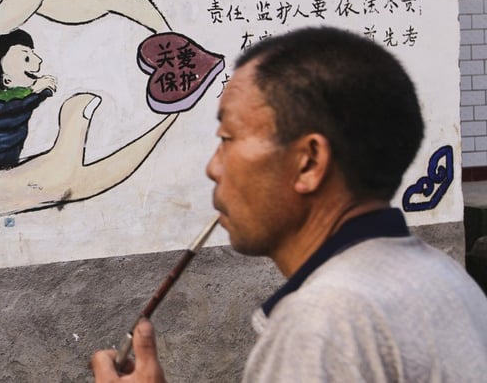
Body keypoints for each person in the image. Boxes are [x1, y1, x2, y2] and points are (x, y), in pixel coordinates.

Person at [92, 26, 487, 382]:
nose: (213, 167)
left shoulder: (323, 323)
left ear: (308, 162)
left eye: (227, 138)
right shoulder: (445, 278)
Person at [0, 29, 57, 101]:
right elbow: (12, 107)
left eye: (33, 53)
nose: (39, 60)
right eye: (26, 59)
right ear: (7, 81)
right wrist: (32, 90)